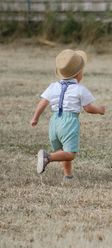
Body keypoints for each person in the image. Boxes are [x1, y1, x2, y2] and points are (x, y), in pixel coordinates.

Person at [30, 49, 106, 179]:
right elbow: (88, 108)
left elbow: (43, 103)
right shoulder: (80, 89)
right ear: (79, 74)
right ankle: (48, 157)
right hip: (69, 122)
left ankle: (68, 175)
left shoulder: (53, 86)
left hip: (54, 122)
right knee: (70, 153)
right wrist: (100, 110)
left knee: (63, 151)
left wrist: (35, 118)